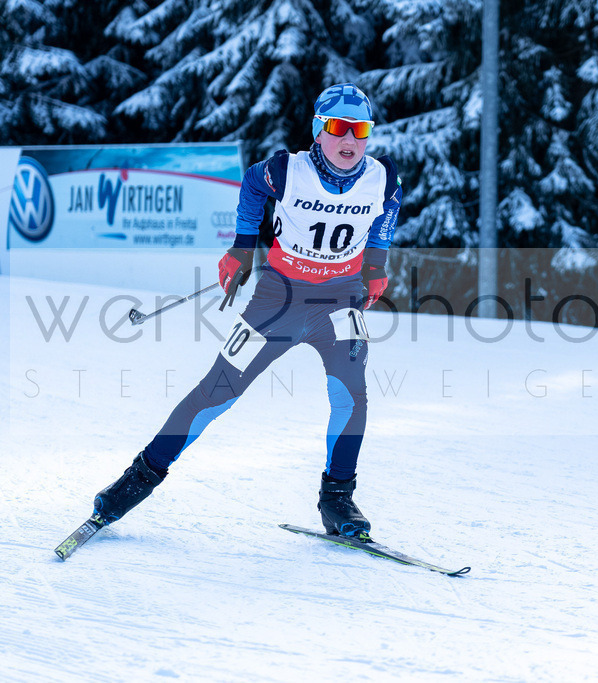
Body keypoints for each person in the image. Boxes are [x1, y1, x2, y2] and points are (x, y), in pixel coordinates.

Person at [89, 83, 401, 539]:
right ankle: (137, 480)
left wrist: (376, 264)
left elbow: (388, 211)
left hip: (340, 301)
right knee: (217, 391)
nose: (350, 139)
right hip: (279, 301)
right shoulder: (287, 170)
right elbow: (253, 185)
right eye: (338, 128)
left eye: (361, 129)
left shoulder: (382, 177)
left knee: (352, 396)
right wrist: (241, 248)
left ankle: (337, 499)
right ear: (319, 130)